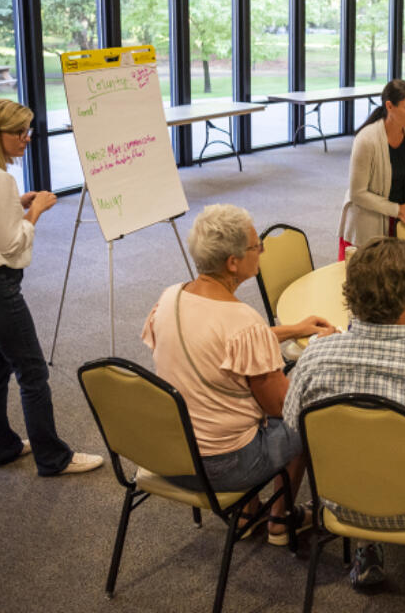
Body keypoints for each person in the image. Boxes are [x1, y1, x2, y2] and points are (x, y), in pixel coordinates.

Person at [283, 237, 405, 596]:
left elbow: (292, 426)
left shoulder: (312, 361)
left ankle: (365, 548)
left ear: (349, 296)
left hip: (341, 505)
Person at [142, 205, 334, 544]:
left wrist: (291, 330)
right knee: (308, 415)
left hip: (168, 453)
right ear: (233, 262)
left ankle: (247, 513)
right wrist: (317, 363)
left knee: (231, 400)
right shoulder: (243, 320)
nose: (262, 249)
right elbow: (280, 407)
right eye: (256, 245)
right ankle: (281, 519)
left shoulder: (170, 297)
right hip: (221, 467)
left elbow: (214, 344)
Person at [0, 99, 104, 477]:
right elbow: (12, 244)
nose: (26, 138)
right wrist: (36, 211)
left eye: (27, 130)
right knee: (32, 372)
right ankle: (54, 458)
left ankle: (1, 447)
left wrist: (15, 204)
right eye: (18, 132)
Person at [338, 79, 405, 259]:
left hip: (400, 219)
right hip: (366, 224)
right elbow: (357, 194)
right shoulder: (366, 140)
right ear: (390, 106)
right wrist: (397, 209)